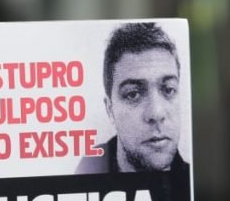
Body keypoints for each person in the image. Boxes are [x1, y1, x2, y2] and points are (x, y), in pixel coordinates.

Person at [76, 22, 189, 174]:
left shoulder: (199, 183)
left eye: (168, 90)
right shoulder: (86, 176)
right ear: (110, 110)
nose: (156, 113)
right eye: (133, 94)